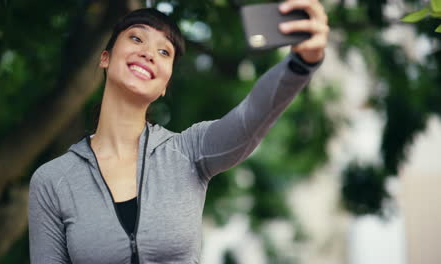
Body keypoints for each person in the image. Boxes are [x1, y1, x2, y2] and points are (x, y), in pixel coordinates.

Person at [28, 1, 329, 263]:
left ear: (164, 86)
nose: (148, 53)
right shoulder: (52, 181)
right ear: (105, 57)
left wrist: (301, 63)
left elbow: (249, 118)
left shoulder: (188, 152)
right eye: (136, 38)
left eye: (163, 51)